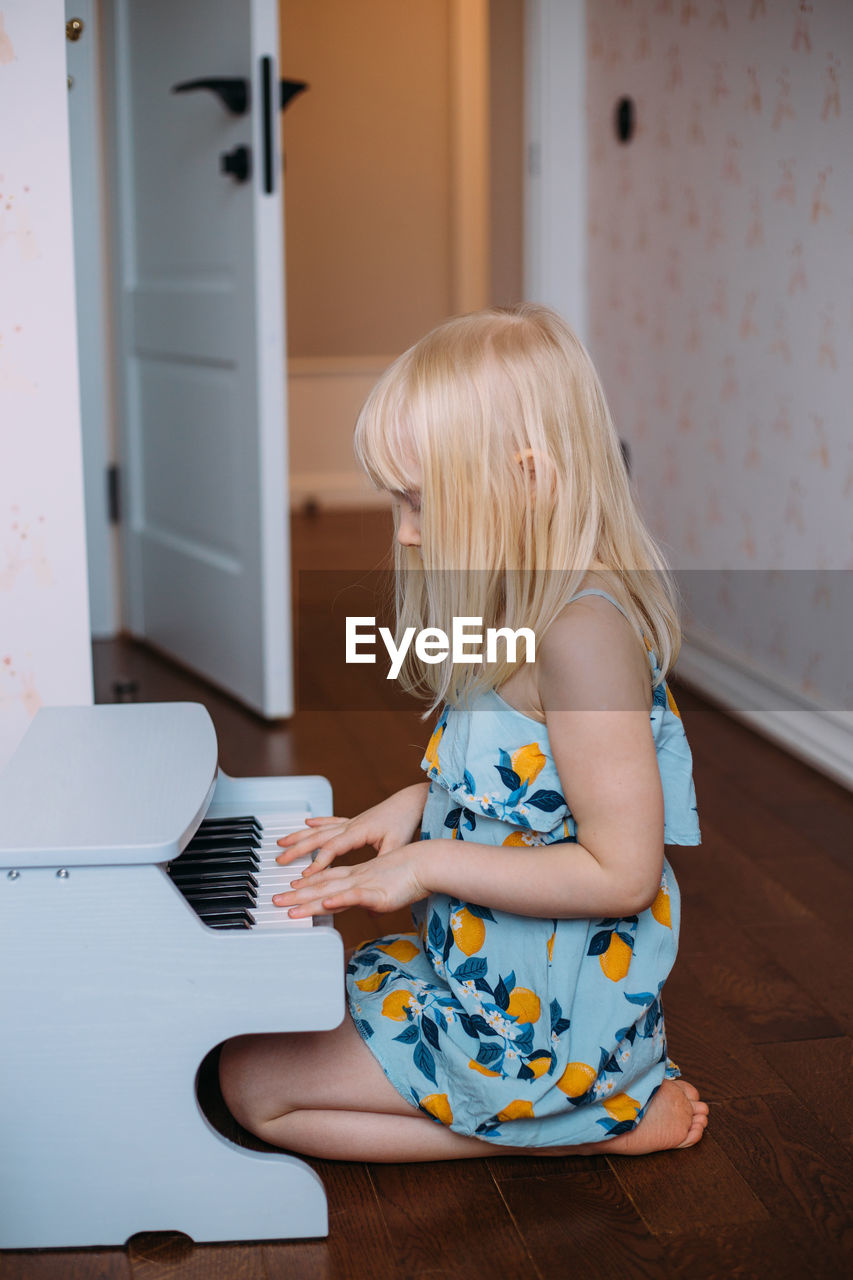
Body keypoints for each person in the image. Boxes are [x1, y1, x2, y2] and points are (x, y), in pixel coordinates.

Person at [219, 304, 709, 1161]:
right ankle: (576, 1115)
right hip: (480, 973)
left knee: (256, 1090)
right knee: (249, 1036)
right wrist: (410, 807)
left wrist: (424, 865)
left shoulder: (581, 637)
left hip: (542, 1031)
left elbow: (622, 872)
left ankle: (586, 1128)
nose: (404, 531)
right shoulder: (518, 604)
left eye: (418, 501)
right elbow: (524, 780)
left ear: (527, 478)